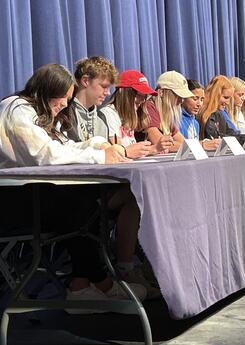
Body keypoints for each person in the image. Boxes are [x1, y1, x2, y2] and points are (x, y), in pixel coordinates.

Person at [0, 64, 147, 309]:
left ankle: (82, 287)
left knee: (84, 201)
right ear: (47, 91)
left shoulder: (40, 114)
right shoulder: (16, 109)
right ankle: (101, 281)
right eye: (63, 98)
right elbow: (46, 155)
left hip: (21, 194)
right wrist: (100, 157)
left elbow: (64, 146)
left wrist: (99, 146)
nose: (66, 104)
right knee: (74, 204)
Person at [69, 61, 161, 299]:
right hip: (72, 195)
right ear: (85, 81)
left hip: (97, 191)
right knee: (132, 196)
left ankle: (128, 267)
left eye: (110, 87)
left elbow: (108, 153)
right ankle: (111, 275)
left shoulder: (98, 117)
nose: (107, 92)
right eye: (103, 86)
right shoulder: (66, 113)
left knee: (138, 196)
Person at [101, 70, 171, 157]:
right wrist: (153, 149)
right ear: (124, 94)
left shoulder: (130, 115)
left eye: (145, 96)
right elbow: (118, 152)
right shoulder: (109, 114)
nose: (143, 100)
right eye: (139, 95)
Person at [137, 71, 193, 152]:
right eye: (177, 96)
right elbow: (162, 145)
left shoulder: (165, 113)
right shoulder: (148, 107)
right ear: (162, 92)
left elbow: (182, 142)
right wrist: (199, 145)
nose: (181, 101)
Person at [180, 79, 220, 150]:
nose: (199, 104)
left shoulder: (195, 123)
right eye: (195, 99)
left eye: (202, 100)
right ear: (183, 98)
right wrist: (202, 144)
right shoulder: (176, 120)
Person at [198, 75, 240, 139]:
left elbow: (231, 133)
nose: (228, 102)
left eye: (229, 98)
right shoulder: (209, 114)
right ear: (215, 95)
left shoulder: (220, 113)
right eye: (225, 97)